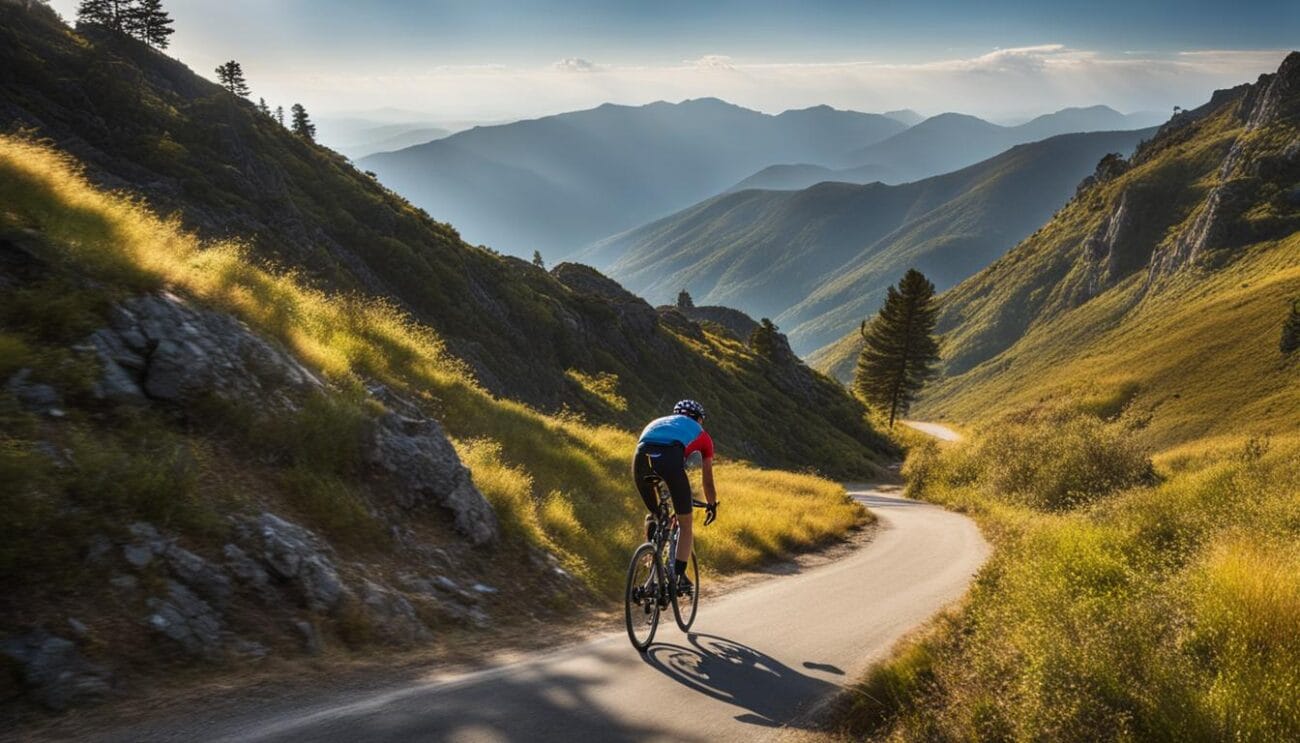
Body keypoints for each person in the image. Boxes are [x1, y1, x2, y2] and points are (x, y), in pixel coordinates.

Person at [632, 399, 719, 595]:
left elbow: (650, 448)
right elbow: (708, 481)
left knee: (655, 513)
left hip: (640, 458)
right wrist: (712, 505)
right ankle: (679, 578)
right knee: (685, 524)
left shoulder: (659, 422)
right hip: (670, 460)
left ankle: (650, 551)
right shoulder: (702, 435)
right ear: (698, 418)